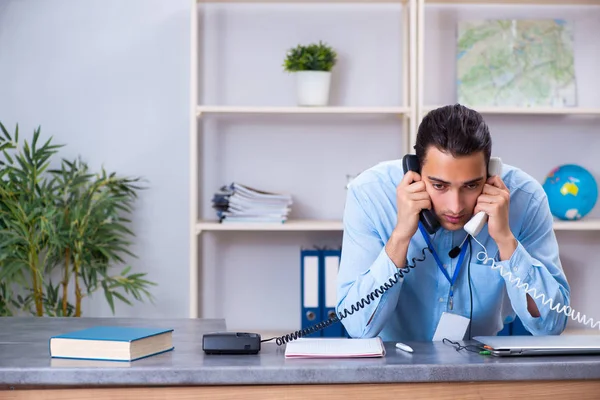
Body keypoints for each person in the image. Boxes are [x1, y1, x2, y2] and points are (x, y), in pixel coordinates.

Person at [336, 104, 570, 342]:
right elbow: (358, 327)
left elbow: (550, 325)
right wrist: (400, 237)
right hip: (393, 364)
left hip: (482, 364)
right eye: (439, 186)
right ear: (415, 170)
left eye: (471, 186)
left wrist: (505, 240)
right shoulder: (370, 194)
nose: (455, 206)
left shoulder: (526, 198)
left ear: (490, 174)